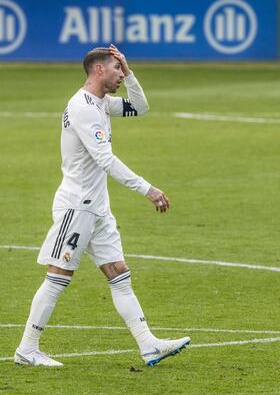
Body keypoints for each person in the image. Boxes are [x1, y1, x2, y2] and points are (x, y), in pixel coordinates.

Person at [14, 45, 190, 367]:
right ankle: (27, 349)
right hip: (77, 207)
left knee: (119, 274)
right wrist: (147, 189)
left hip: (97, 209)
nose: (121, 75)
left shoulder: (102, 103)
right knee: (58, 277)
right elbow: (105, 159)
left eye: (123, 70)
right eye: (117, 69)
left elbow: (141, 107)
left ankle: (148, 344)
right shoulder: (83, 108)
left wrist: (131, 69)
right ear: (99, 71)